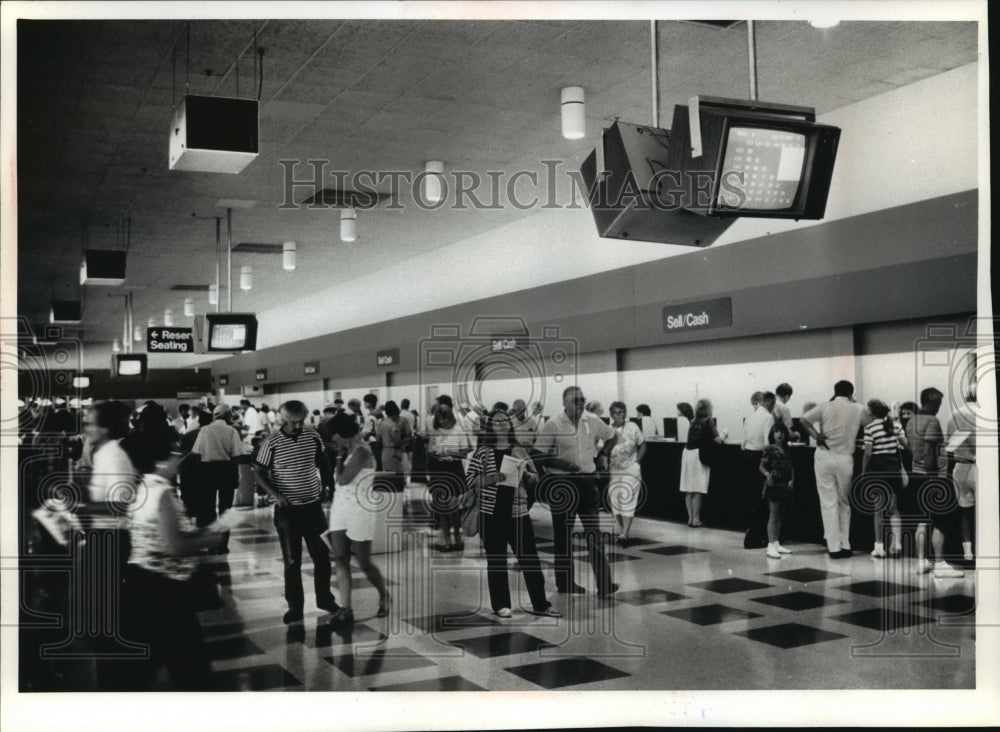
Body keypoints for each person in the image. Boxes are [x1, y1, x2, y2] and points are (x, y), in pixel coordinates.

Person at [100, 403, 228, 690]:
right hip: (165, 590)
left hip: (145, 585)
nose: (179, 459)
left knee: (152, 664)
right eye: (174, 453)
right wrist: (212, 538)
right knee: (192, 669)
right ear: (161, 459)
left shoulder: (143, 487)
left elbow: (161, 534)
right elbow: (174, 545)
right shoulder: (161, 493)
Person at [466, 410, 561, 618]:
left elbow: (535, 477)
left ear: (510, 425)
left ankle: (541, 604)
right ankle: (501, 604)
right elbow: (470, 480)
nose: (501, 424)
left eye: (504, 421)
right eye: (496, 422)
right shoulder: (482, 452)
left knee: (529, 559)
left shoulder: (519, 450)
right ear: (490, 426)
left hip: (517, 511)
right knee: (496, 560)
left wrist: (528, 475)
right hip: (490, 513)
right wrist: (491, 478)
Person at [254, 400, 340, 623]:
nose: (299, 426)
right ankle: (295, 607)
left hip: (313, 507)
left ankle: (325, 599)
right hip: (287, 511)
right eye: (293, 423)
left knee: (322, 556)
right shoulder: (271, 441)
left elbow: (323, 461)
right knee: (292, 561)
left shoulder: (312, 435)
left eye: (302, 421)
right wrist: (276, 494)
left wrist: (328, 485)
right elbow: (259, 472)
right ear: (283, 420)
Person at [534, 386, 617, 597]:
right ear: (565, 403)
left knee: (594, 534)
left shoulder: (592, 420)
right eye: (576, 401)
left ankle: (605, 583)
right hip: (562, 483)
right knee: (563, 536)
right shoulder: (553, 424)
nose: (580, 404)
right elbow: (538, 455)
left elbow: (612, 436)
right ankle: (565, 582)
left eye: (583, 400)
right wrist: (561, 464)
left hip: (587, 482)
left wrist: (603, 454)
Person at [322, 412, 390, 626]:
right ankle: (346, 608)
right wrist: (340, 455)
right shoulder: (346, 450)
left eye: (334, 437)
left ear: (343, 434)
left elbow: (342, 479)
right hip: (341, 507)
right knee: (340, 559)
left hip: (361, 509)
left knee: (363, 561)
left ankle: (384, 594)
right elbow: (339, 482)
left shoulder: (362, 451)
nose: (333, 441)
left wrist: (340, 457)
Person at [798, 380, 866, 559]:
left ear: (835, 392)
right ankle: (846, 544)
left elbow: (804, 420)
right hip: (846, 459)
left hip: (825, 455)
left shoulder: (824, 406)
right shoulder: (858, 408)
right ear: (851, 393)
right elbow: (871, 421)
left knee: (828, 501)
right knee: (844, 501)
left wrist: (815, 435)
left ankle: (834, 547)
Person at [906, 387, 962, 577]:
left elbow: (916, 448)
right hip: (930, 477)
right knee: (940, 522)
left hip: (915, 474)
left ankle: (922, 561)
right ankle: (940, 563)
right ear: (930, 402)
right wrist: (933, 477)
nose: (939, 408)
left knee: (922, 521)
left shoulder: (912, 420)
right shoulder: (932, 421)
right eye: (938, 404)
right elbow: (929, 451)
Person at [189, 404, 247, 541]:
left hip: (207, 471)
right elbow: (236, 456)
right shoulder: (232, 431)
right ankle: (222, 544)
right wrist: (236, 475)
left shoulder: (204, 430)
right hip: (226, 470)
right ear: (227, 415)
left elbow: (196, 454)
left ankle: (211, 542)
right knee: (225, 509)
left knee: (208, 507)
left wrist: (199, 473)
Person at [861, 399, 908, 559]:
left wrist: (863, 472)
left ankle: (879, 546)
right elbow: (906, 445)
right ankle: (897, 544)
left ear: (872, 412)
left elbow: (867, 453)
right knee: (894, 508)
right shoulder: (895, 425)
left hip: (877, 470)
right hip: (893, 468)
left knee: (878, 510)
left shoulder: (870, 428)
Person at [428, 395, 472, 551]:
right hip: (439, 470)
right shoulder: (435, 431)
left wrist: (452, 455)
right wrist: (437, 454)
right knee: (441, 508)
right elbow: (431, 450)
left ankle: (458, 539)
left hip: (454, 469)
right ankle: (446, 540)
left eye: (445, 419)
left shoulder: (458, 430)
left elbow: (466, 451)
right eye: (440, 419)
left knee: (453, 508)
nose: (443, 422)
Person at [679, 398, 727, 527]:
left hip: (687, 453)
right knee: (698, 488)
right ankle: (696, 519)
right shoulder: (709, 421)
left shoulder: (693, 421)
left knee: (688, 488)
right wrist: (724, 435)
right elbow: (717, 440)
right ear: (708, 409)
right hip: (698, 455)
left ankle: (690, 518)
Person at [606, 401, 646, 547]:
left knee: (628, 498)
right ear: (611, 415)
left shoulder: (632, 426)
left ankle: (625, 532)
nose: (621, 414)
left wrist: (637, 462)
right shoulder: (608, 430)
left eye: (623, 411)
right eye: (618, 412)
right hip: (614, 469)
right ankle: (622, 529)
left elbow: (643, 445)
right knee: (615, 499)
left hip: (631, 468)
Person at [742, 391, 776, 539]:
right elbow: (768, 442)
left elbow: (742, 443)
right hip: (760, 456)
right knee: (762, 494)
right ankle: (761, 530)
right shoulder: (768, 417)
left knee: (751, 492)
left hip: (748, 456)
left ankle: (751, 527)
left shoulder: (749, 417)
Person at [759, 422, 794, 559]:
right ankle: (770, 545)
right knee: (773, 514)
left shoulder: (787, 449)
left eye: (782, 432)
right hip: (774, 483)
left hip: (785, 483)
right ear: (772, 434)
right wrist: (767, 475)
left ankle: (776, 542)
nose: (780, 435)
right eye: (777, 432)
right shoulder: (769, 449)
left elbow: (791, 466)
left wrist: (792, 479)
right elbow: (761, 466)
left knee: (781, 515)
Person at [377, 400, 411, 492]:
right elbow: (397, 442)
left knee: (388, 479)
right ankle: (398, 503)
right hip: (394, 454)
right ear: (395, 413)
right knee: (397, 480)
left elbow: (378, 439)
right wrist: (405, 441)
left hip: (385, 453)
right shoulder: (393, 426)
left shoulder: (381, 423)